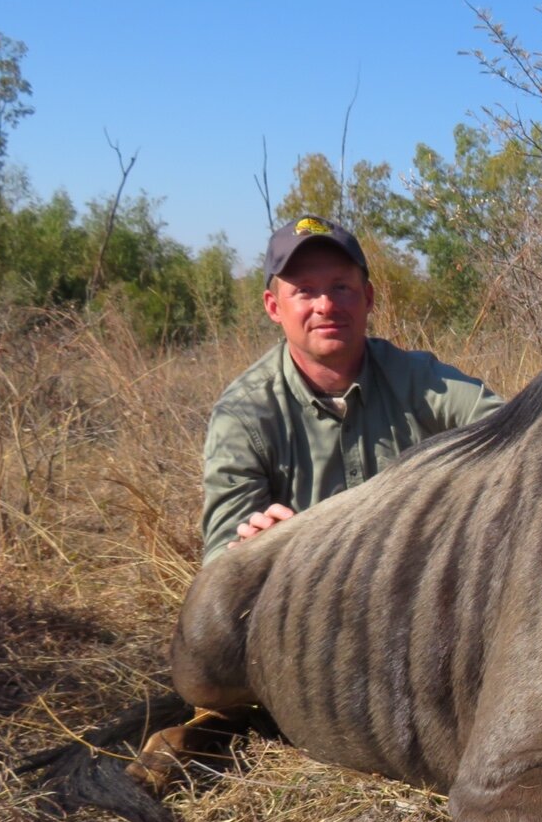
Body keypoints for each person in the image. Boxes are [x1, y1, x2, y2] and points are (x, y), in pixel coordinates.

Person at [200, 215, 504, 562]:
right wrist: (251, 553)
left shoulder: (421, 380)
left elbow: (521, 434)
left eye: (341, 287)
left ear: (368, 297)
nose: (326, 305)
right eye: (304, 290)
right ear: (273, 307)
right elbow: (220, 566)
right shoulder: (244, 414)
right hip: (305, 598)